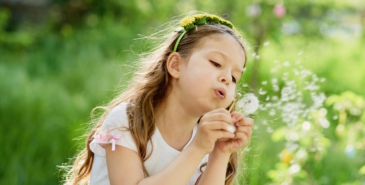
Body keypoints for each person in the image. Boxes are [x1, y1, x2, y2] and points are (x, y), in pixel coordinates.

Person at [63, 13, 254, 185]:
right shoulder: (126, 122)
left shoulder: (207, 141)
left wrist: (220, 153)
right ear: (175, 65)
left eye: (235, 77)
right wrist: (197, 148)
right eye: (216, 63)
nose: (227, 79)